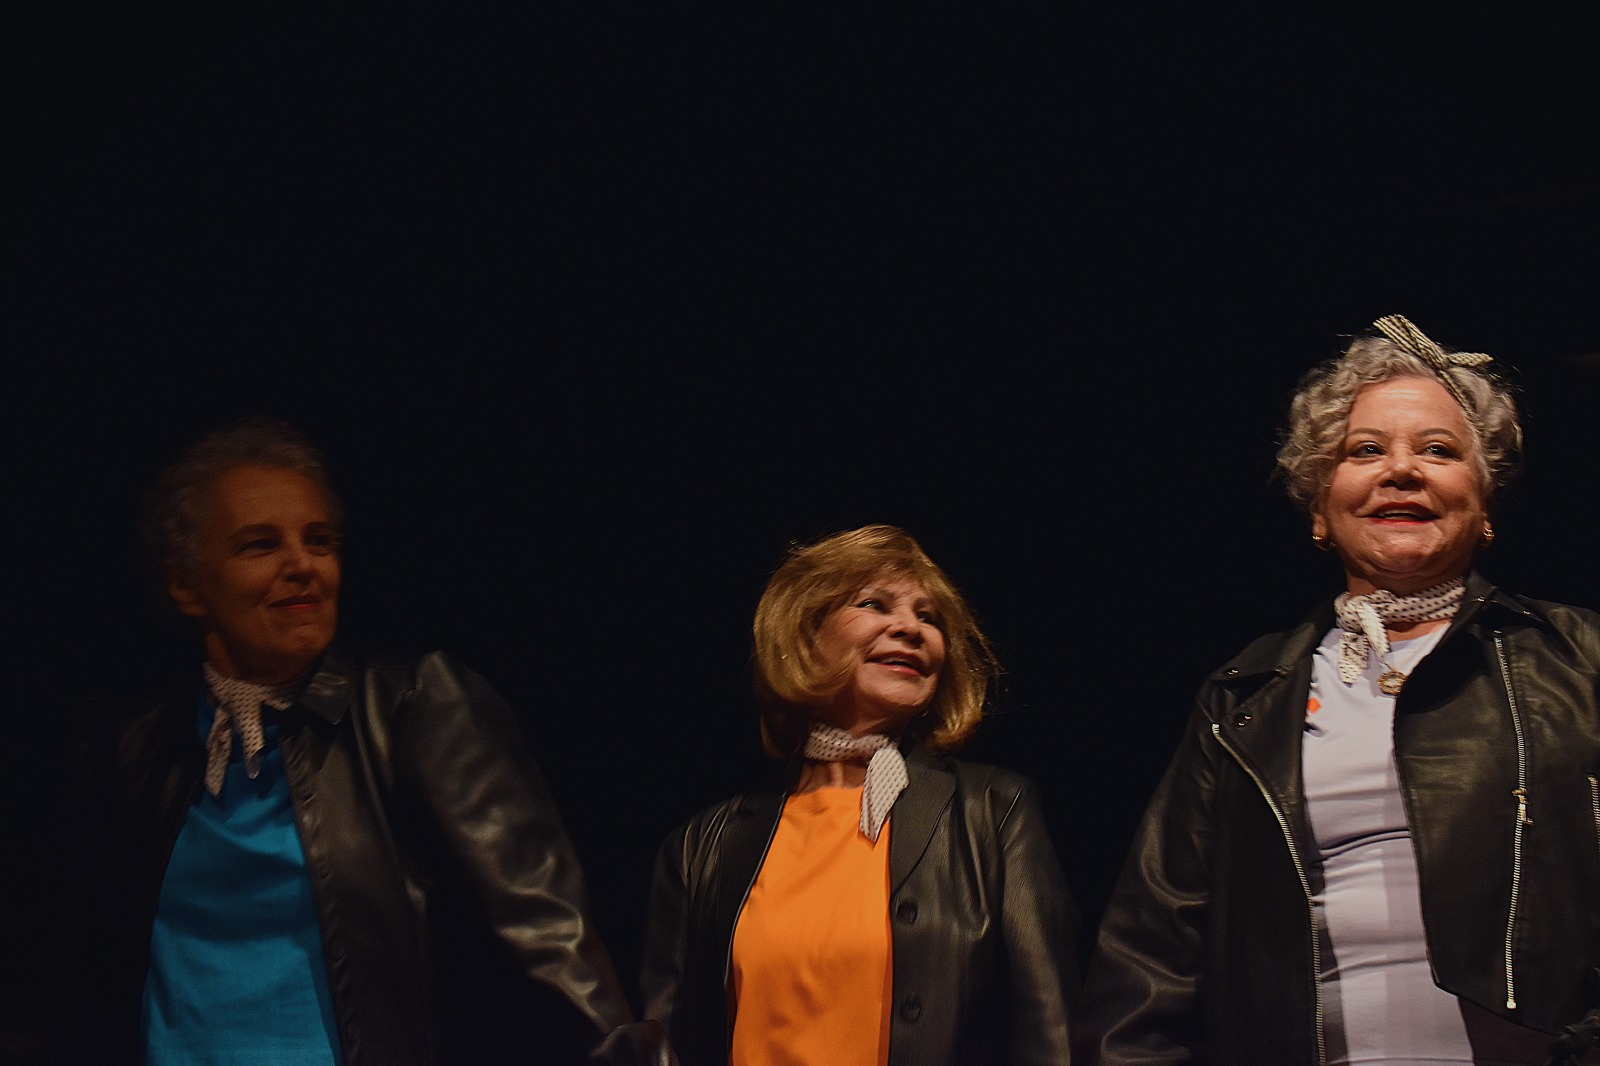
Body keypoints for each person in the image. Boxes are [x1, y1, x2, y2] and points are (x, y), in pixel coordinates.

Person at [53, 419, 667, 1066]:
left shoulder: (412, 708)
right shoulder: (134, 747)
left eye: (319, 541)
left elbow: (548, 934)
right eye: (259, 545)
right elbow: (58, 978)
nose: (302, 565)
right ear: (185, 585)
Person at [1076, 316, 1600, 1065]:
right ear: (1320, 509)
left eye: (1439, 450)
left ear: (1484, 506)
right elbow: (1151, 957)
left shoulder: (1579, 658)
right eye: (1366, 450)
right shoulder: (1246, 698)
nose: (1402, 470)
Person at [640, 525, 1079, 1066]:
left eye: (928, 617)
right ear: (805, 637)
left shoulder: (994, 811)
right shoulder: (700, 848)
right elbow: (667, 1043)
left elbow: (1048, 1031)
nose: (910, 628)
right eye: (875, 604)